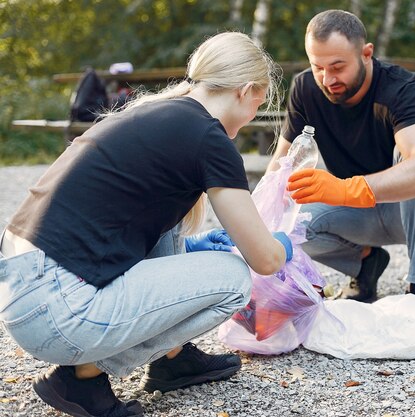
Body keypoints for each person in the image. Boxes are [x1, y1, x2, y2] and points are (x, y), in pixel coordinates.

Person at [0, 32, 293, 417]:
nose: (257, 107)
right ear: (247, 90)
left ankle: (171, 357)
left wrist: (195, 245)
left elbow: (123, 222)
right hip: (58, 313)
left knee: (169, 221)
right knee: (234, 279)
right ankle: (82, 378)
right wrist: (285, 243)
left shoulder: (151, 114)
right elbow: (265, 261)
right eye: (261, 98)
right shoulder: (209, 137)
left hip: (21, 291)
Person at [268, 9, 415, 303]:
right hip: (355, 211)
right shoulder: (305, 88)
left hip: (414, 208)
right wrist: (259, 221)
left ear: (366, 53)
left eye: (337, 66)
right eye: (318, 67)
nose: (327, 78)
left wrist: (347, 188)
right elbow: (282, 165)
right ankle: (364, 262)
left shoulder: (402, 88)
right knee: (287, 228)